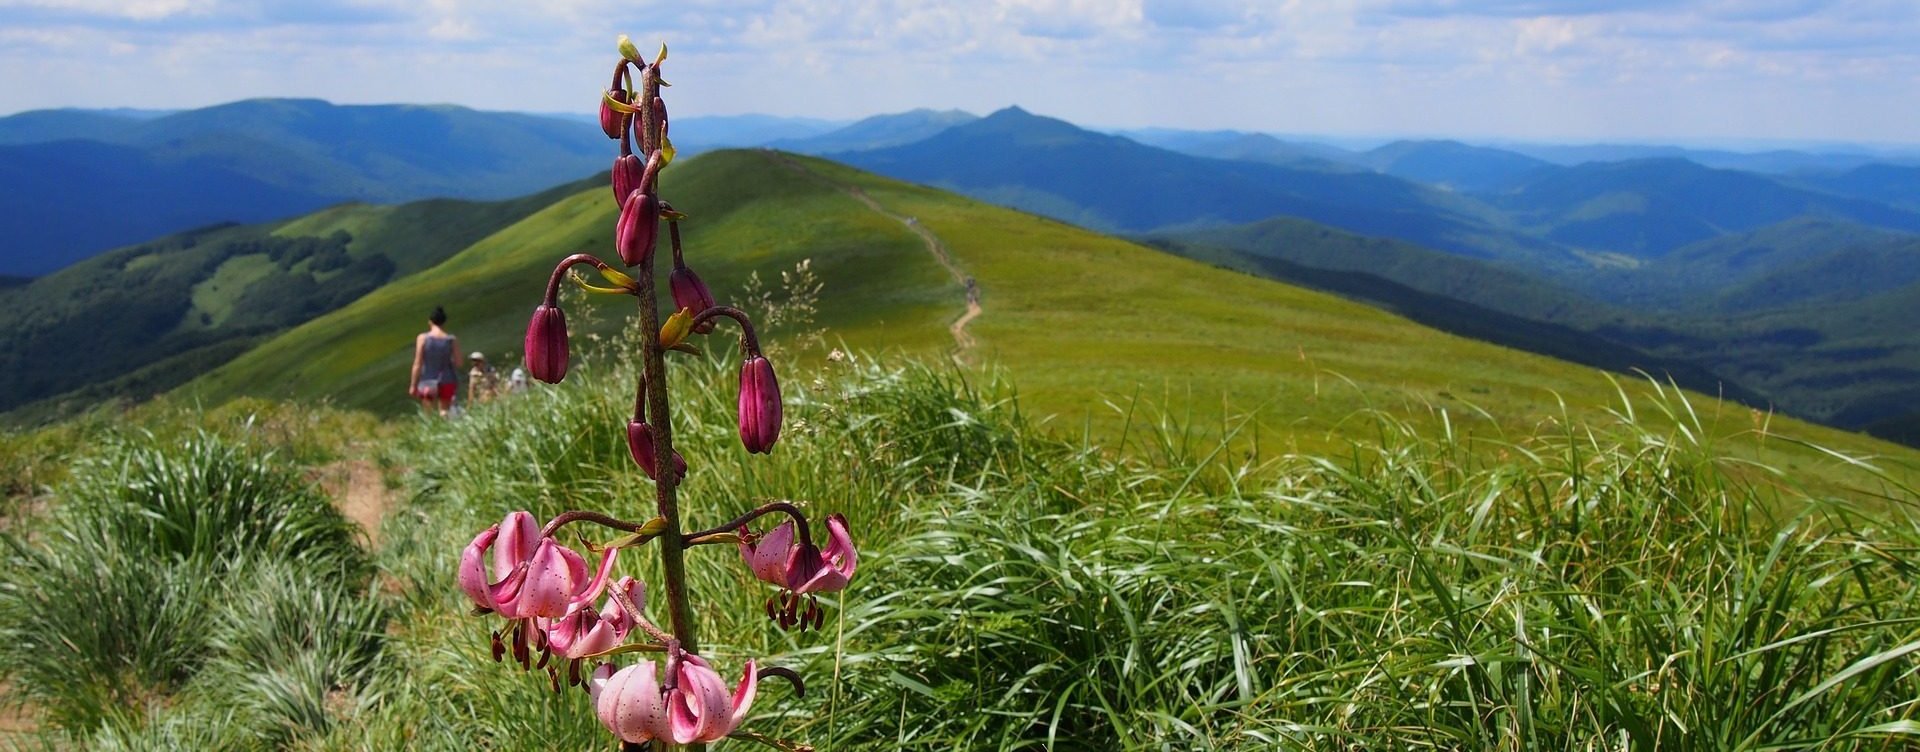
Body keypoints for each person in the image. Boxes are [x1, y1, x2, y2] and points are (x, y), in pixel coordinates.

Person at [409, 306, 463, 417]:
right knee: (444, 411)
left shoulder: (422, 338)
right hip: (448, 379)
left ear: (430, 321)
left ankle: (431, 431)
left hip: (428, 380)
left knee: (428, 414)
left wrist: (413, 385)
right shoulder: (451, 340)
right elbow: (459, 363)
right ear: (444, 322)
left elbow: (417, 363)